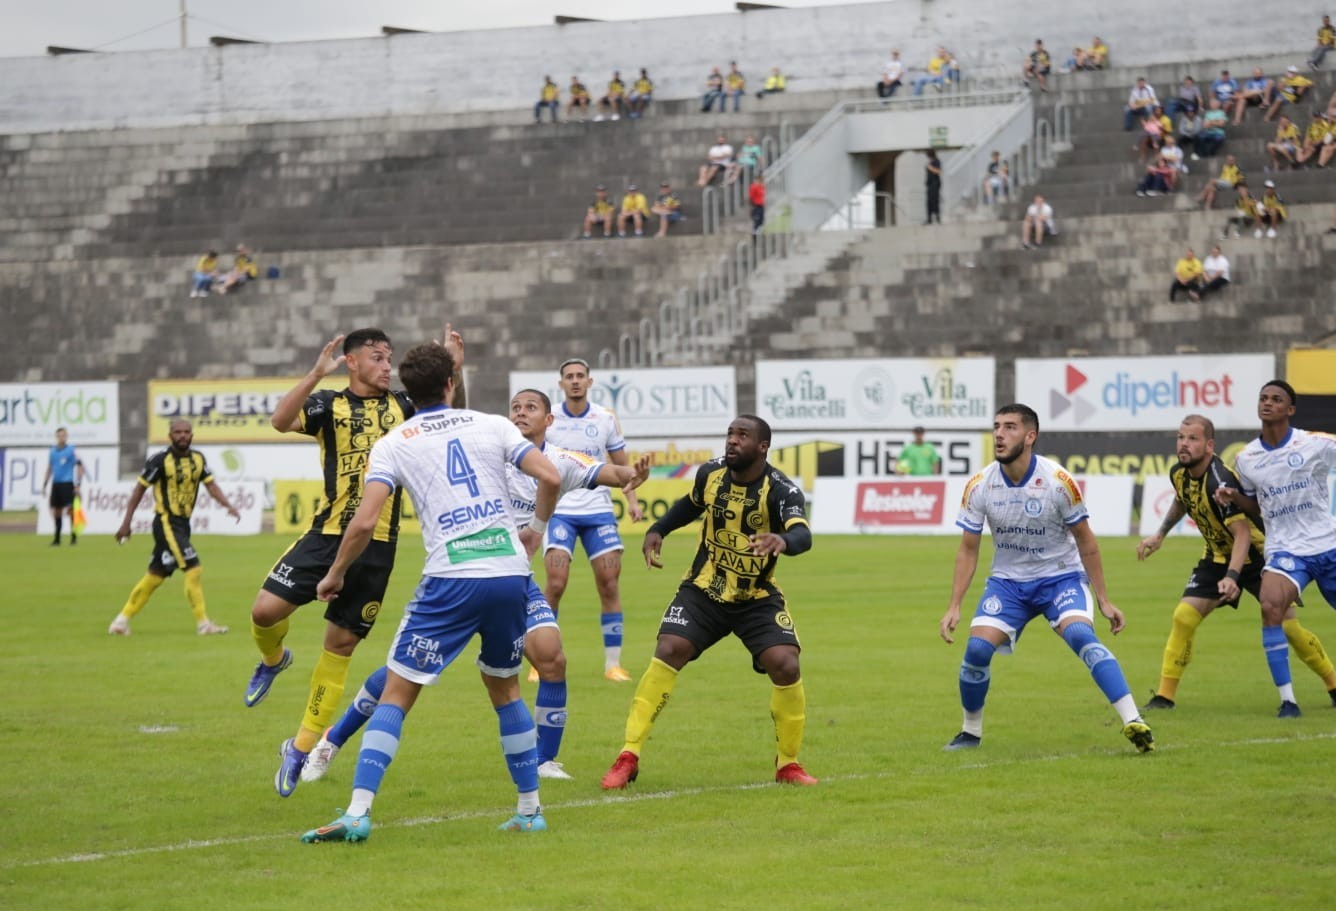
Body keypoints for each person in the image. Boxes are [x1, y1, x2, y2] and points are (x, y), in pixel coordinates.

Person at [300, 389, 651, 786]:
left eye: (530, 407)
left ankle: (544, 760)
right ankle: (331, 740)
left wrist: (632, 476)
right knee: (401, 675)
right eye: (514, 406)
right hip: (458, 576)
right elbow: (451, 416)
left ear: (548, 421)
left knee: (551, 658)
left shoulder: (558, 461)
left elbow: (613, 473)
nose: (520, 413)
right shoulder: (488, 448)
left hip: (510, 581)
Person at [299, 342, 563, 843]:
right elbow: (549, 475)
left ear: (409, 390)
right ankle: (529, 809)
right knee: (505, 690)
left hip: (451, 577)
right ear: (450, 383)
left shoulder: (395, 441)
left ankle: (357, 812)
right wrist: (535, 527)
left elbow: (365, 521)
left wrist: (334, 573)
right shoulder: (494, 424)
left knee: (397, 693)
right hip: (509, 574)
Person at [246, 329, 431, 800]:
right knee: (264, 612)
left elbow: (448, 414)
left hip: (378, 543)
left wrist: (457, 368)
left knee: (341, 645)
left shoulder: (404, 406)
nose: (387, 366)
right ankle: (273, 659)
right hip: (326, 534)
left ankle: (301, 746)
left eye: (390, 358)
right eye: (377, 358)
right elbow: (280, 420)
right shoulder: (329, 403)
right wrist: (314, 374)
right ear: (352, 361)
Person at [601, 414, 818, 790]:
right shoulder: (711, 474)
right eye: (730, 434)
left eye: (743, 436)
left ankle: (788, 764)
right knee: (669, 647)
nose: (732, 441)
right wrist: (658, 529)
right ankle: (628, 755)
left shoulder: (782, 490)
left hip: (756, 597)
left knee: (785, 663)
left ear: (762, 447)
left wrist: (782, 541)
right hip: (704, 590)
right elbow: (690, 504)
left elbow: (802, 534)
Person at [938, 404, 1154, 754]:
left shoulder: (1057, 482)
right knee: (976, 649)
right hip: (1008, 583)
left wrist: (1103, 599)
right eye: (996, 427)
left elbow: (1086, 540)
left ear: (1030, 435)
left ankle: (1133, 720)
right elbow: (968, 549)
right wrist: (954, 605)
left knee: (1081, 634)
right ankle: (970, 732)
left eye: (1009, 427)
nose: (999, 434)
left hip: (1061, 578)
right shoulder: (980, 485)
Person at [1136, 414, 1336, 715]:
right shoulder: (1178, 472)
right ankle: (1165, 696)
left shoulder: (1221, 480)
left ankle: (1333, 684)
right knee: (1183, 618)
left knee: (1290, 628)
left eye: (1192, 439)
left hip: (1256, 557)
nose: (1184, 444)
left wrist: (1232, 576)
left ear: (1209, 445)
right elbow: (1182, 500)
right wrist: (1160, 534)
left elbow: (1242, 533)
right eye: (1181, 437)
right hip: (1216, 556)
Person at [1214, 380, 1336, 718]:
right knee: (1269, 606)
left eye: (1276, 399)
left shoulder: (1315, 443)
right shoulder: (1247, 458)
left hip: (1328, 543)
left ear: (1290, 410)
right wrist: (1234, 496)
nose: (1268, 403)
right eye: (1263, 398)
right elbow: (1255, 506)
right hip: (1285, 549)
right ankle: (1288, 700)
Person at [542, 358, 644, 682]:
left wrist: (632, 499)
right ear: (560, 384)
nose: (574, 381)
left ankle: (612, 664)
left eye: (580, 376)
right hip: (559, 509)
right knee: (556, 584)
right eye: (569, 377)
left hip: (598, 509)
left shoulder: (604, 418)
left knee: (609, 583)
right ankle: (540, 659)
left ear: (590, 381)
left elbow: (620, 463)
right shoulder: (549, 419)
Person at [107, 419, 239, 637]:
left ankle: (120, 622)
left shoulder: (198, 459)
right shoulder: (159, 461)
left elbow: (211, 485)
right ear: (170, 436)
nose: (183, 435)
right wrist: (126, 523)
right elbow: (139, 491)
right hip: (166, 522)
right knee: (193, 568)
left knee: (155, 576)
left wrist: (228, 505)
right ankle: (203, 624)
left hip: (183, 525)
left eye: (187, 432)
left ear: (192, 435)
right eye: (178, 432)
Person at [42, 426, 84, 546]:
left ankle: (73, 537)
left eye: (64, 435)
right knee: (57, 511)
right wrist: (45, 484)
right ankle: (57, 539)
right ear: (56, 437)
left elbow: (80, 467)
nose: (62, 437)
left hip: (67, 483)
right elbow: (49, 468)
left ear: (67, 436)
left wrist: (78, 485)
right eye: (60, 435)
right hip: (56, 484)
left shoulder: (71, 450)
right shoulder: (52, 451)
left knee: (71, 511)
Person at [924, 150, 942, 225]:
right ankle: (929, 218)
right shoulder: (930, 162)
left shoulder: (937, 162)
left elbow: (938, 171)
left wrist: (930, 167)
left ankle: (937, 218)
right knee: (929, 202)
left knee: (935, 201)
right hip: (930, 185)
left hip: (934, 185)